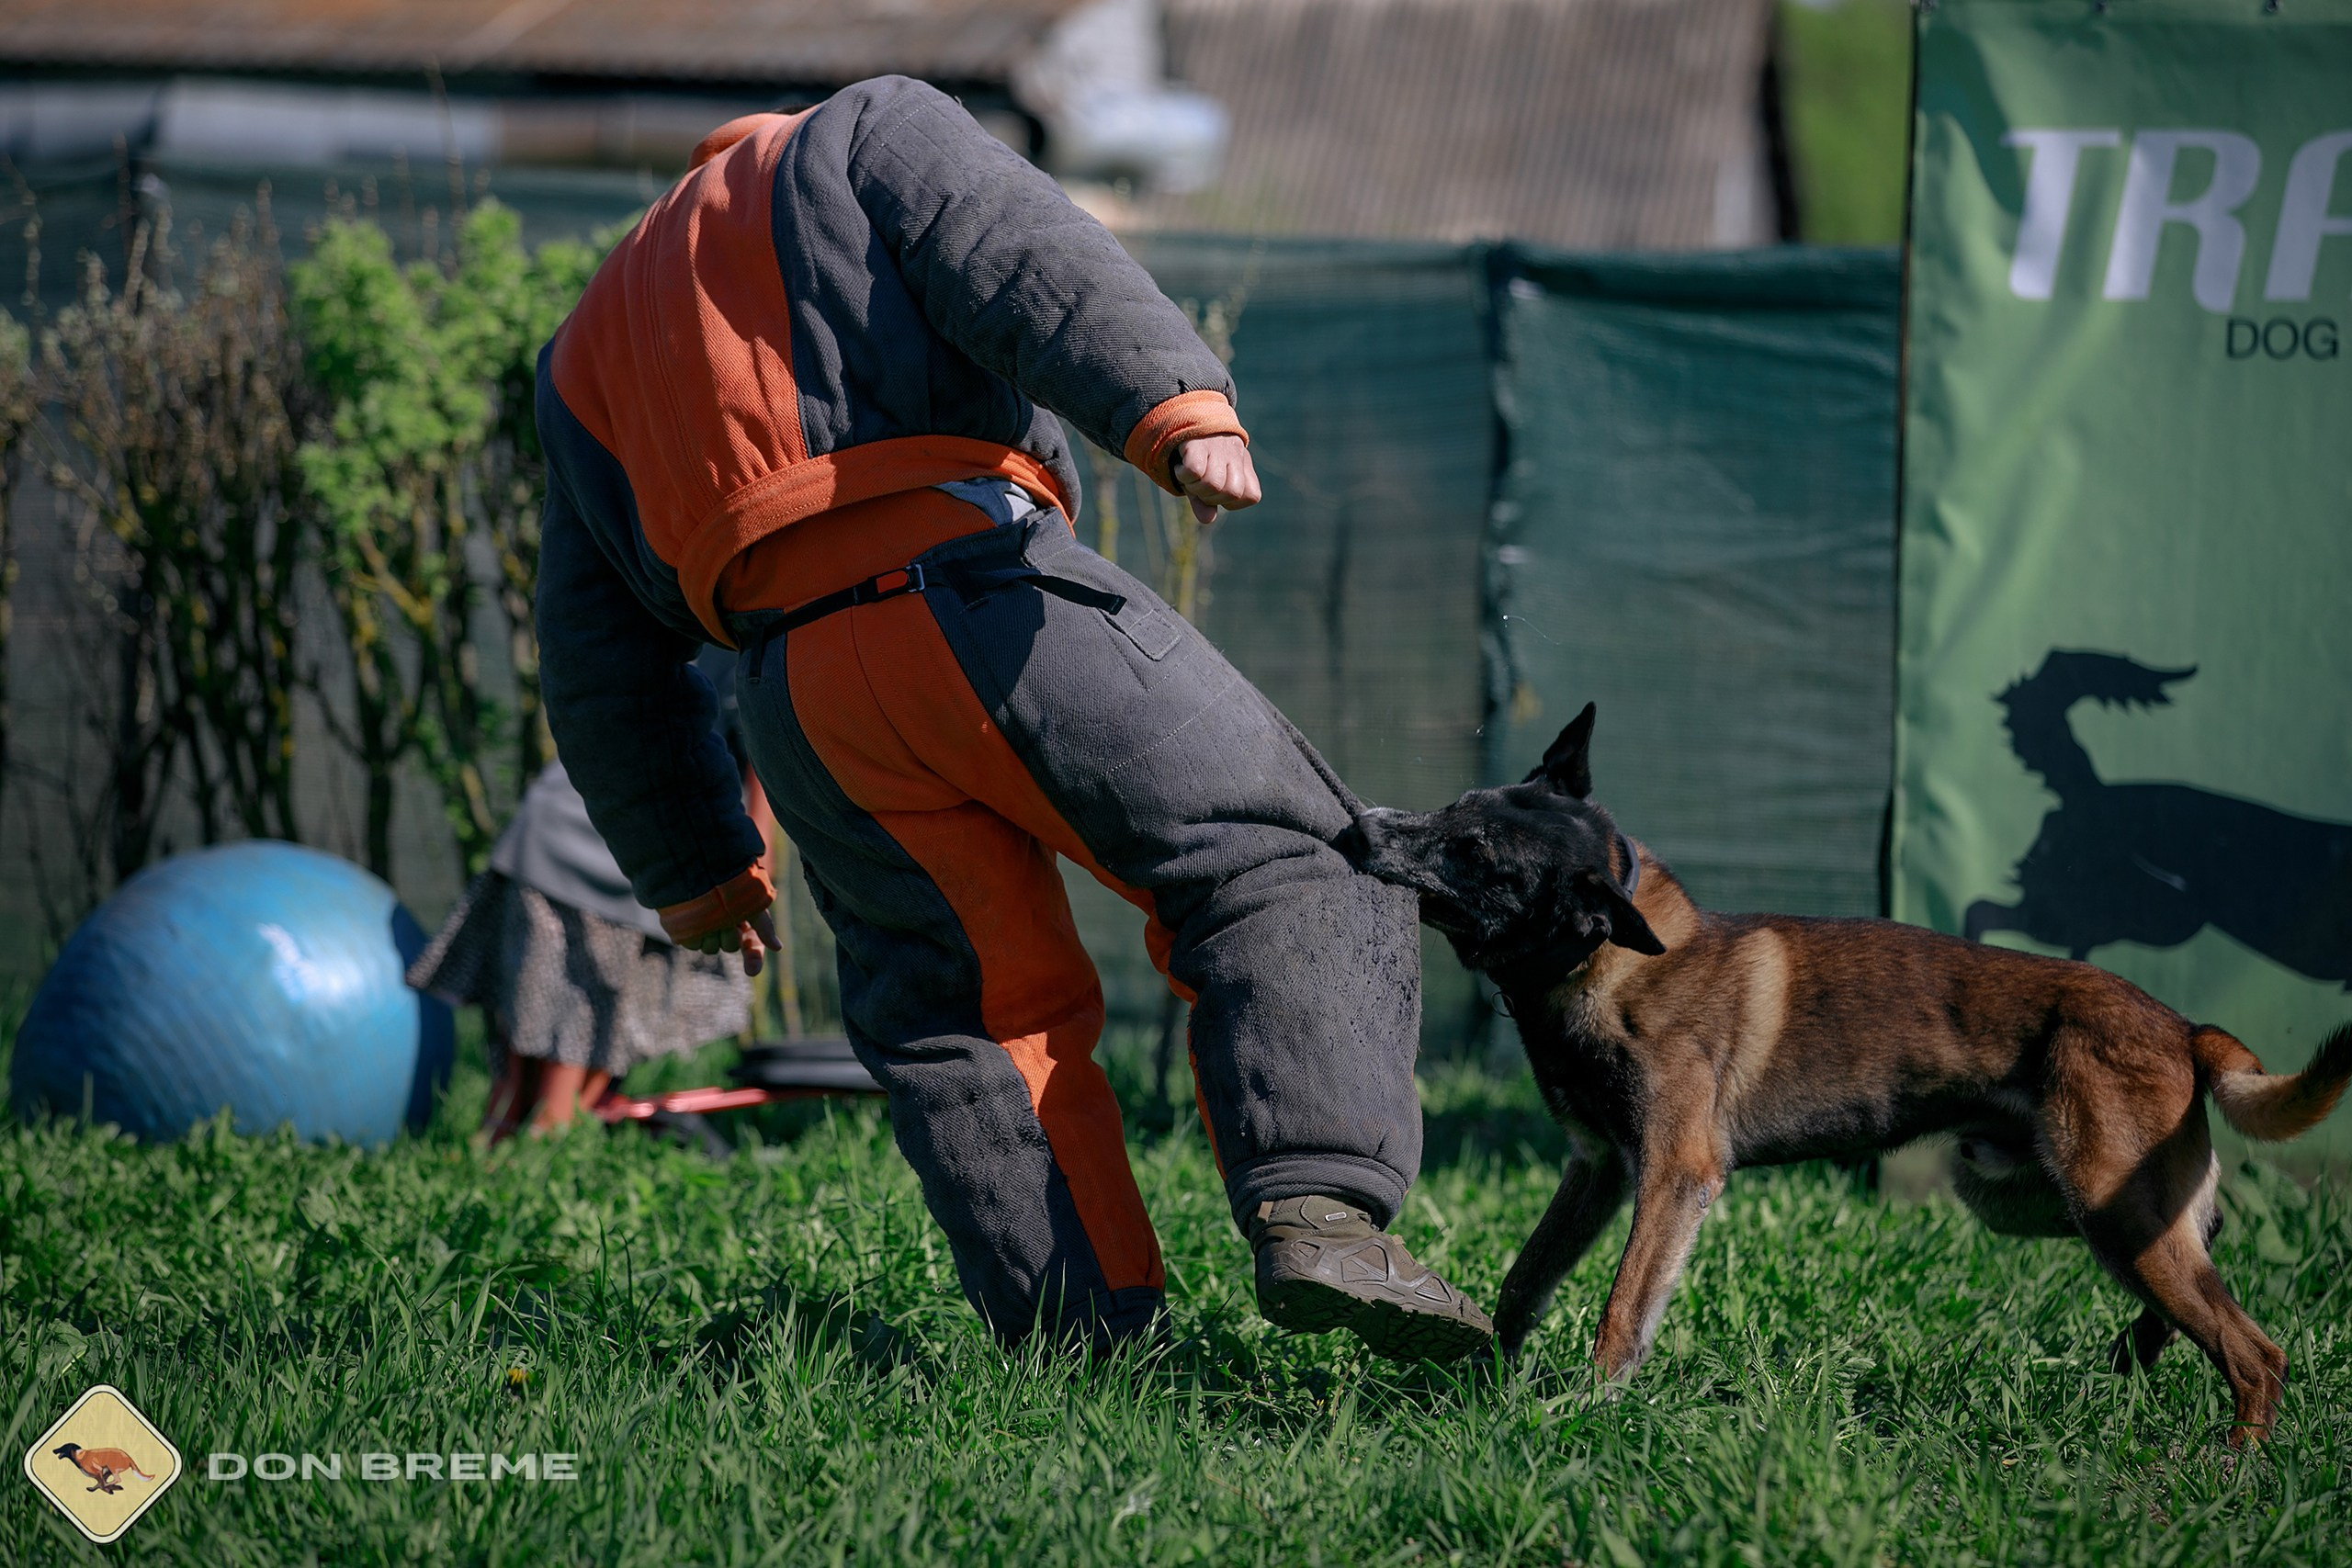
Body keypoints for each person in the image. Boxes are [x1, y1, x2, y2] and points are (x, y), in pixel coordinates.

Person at [534, 75, 1492, 1359]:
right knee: (1290, 855)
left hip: (799, 696)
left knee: (962, 1016)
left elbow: (592, 640)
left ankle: (1080, 1339)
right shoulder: (865, 133)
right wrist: (1172, 404)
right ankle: (1320, 1203)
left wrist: (696, 867)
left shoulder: (591, 335)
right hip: (977, 587)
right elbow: (1017, 252)